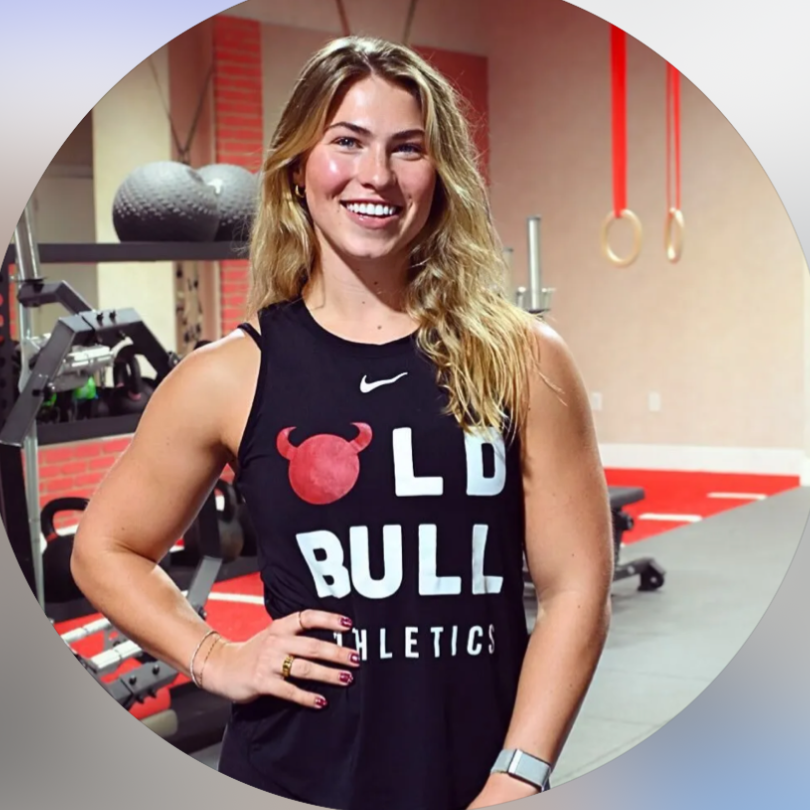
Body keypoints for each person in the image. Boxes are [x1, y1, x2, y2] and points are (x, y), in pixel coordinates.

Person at [72, 35, 613, 810]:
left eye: (408, 148)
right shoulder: (231, 373)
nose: (377, 176)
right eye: (347, 142)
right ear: (298, 167)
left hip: (474, 774)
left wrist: (520, 770)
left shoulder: (525, 358)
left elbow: (575, 589)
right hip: (293, 773)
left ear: (440, 174)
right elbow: (105, 549)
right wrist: (213, 656)